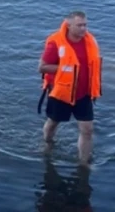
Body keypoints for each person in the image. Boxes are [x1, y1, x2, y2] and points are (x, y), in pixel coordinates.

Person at [38, 10, 102, 165]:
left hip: (84, 93)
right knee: (53, 123)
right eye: (79, 25)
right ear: (68, 25)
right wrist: (65, 68)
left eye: (85, 25)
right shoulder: (56, 42)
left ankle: (84, 164)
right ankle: (47, 143)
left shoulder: (90, 41)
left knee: (87, 130)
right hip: (62, 92)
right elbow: (42, 67)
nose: (84, 29)